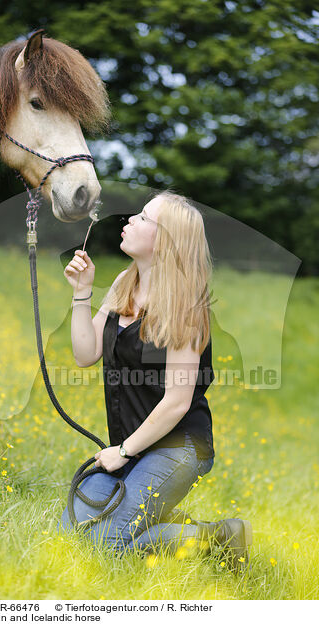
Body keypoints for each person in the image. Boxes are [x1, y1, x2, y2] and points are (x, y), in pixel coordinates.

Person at [58, 190, 252, 573]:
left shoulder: (187, 307)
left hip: (178, 447)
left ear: (165, 240)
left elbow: (178, 402)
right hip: (131, 445)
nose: (129, 220)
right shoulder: (123, 284)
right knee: (73, 533)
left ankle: (219, 538)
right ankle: (170, 525)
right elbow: (85, 354)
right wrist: (82, 294)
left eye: (143, 218)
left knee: (108, 542)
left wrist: (124, 451)